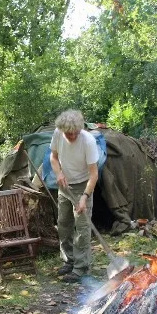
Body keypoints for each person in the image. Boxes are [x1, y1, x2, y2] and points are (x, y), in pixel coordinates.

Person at [50, 110, 99, 283]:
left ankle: (80, 267)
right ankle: (68, 261)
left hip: (83, 185)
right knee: (63, 225)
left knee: (82, 228)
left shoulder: (88, 142)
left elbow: (94, 175)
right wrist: (59, 173)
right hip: (64, 185)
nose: (71, 136)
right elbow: (53, 157)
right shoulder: (58, 133)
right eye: (68, 133)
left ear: (80, 129)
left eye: (74, 133)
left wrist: (85, 197)